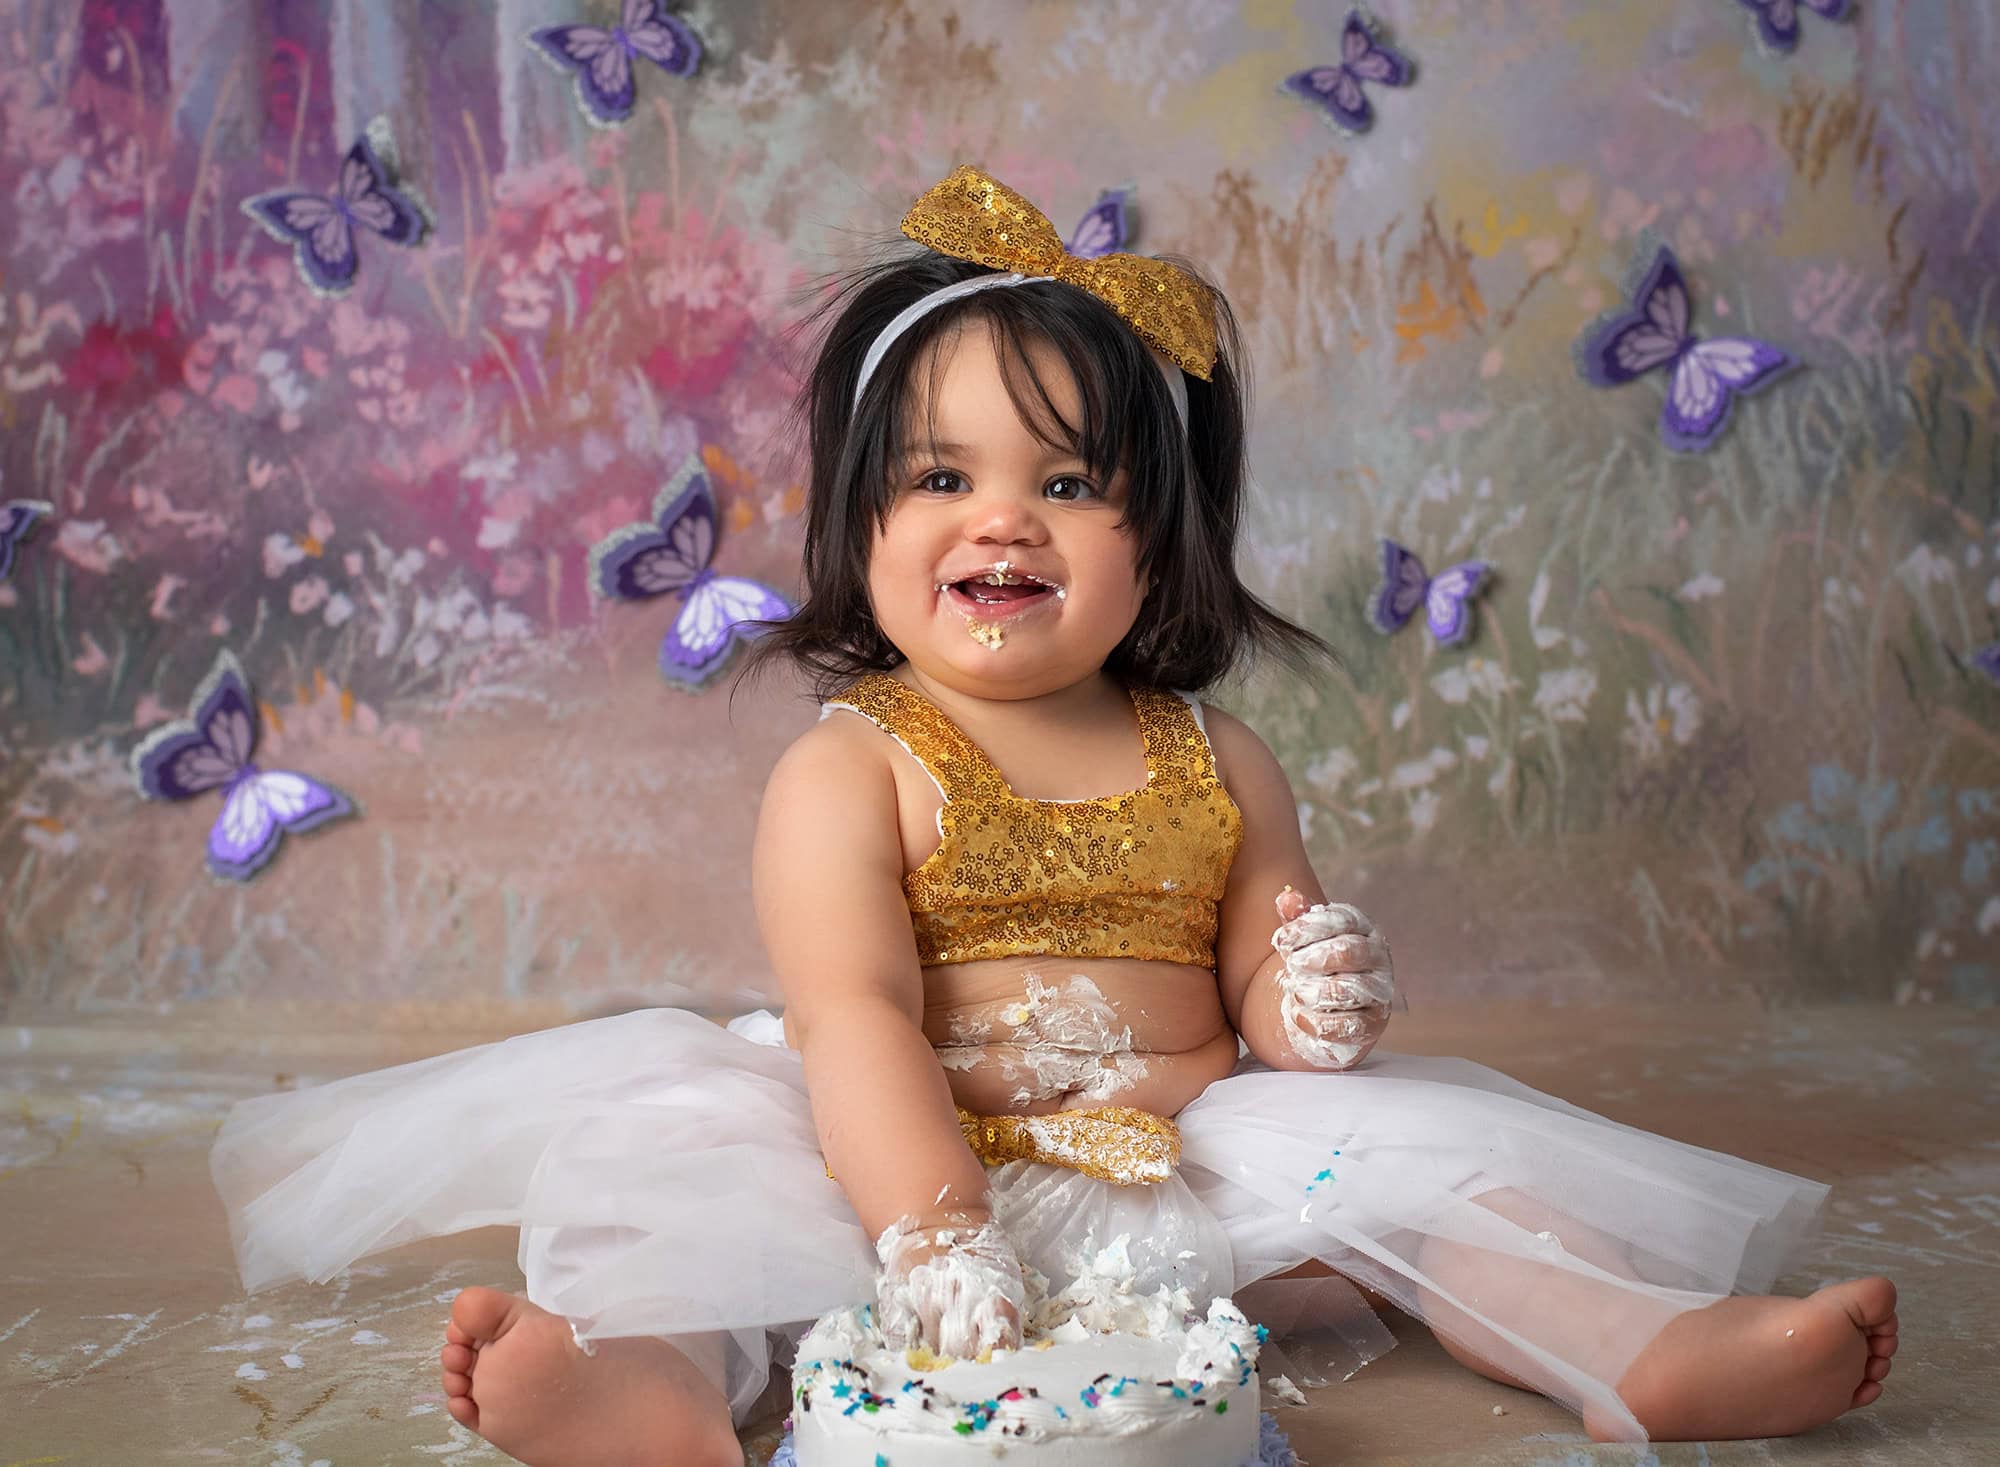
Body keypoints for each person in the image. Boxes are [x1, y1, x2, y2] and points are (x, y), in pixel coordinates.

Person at [210, 166, 1897, 1467]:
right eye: (941, 477)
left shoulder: (1218, 759)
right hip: (883, 1165)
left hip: (1182, 1169)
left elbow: (1273, 988)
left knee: (1440, 1188)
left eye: (1070, 483)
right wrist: (934, 1232)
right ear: (859, 530)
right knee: (679, 1174)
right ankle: (652, 1386)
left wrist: (1311, 994)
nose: (1000, 519)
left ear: (1157, 542)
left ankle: (1637, 1350)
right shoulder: (851, 765)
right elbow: (855, 1012)